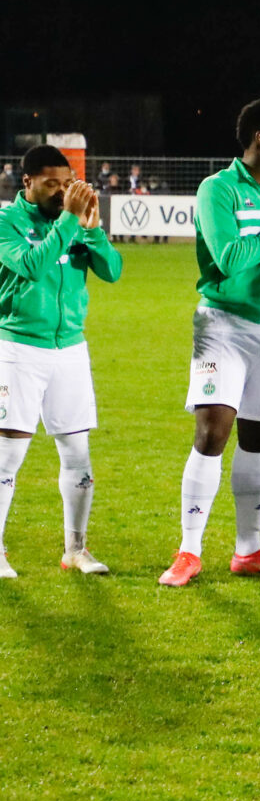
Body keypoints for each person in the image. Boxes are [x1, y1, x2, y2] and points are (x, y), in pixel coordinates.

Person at [160, 98, 260, 586]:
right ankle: (189, 551)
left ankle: (248, 551)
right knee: (213, 433)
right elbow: (231, 258)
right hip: (222, 326)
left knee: (258, 441)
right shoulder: (218, 190)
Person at [0, 147, 121, 576]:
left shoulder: (73, 224)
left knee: (77, 453)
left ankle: (75, 549)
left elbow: (112, 271)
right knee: (7, 455)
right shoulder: (5, 223)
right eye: (52, 183)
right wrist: (70, 219)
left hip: (70, 348)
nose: (62, 191)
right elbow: (32, 266)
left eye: (66, 182)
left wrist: (92, 232)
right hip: (18, 348)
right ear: (27, 182)